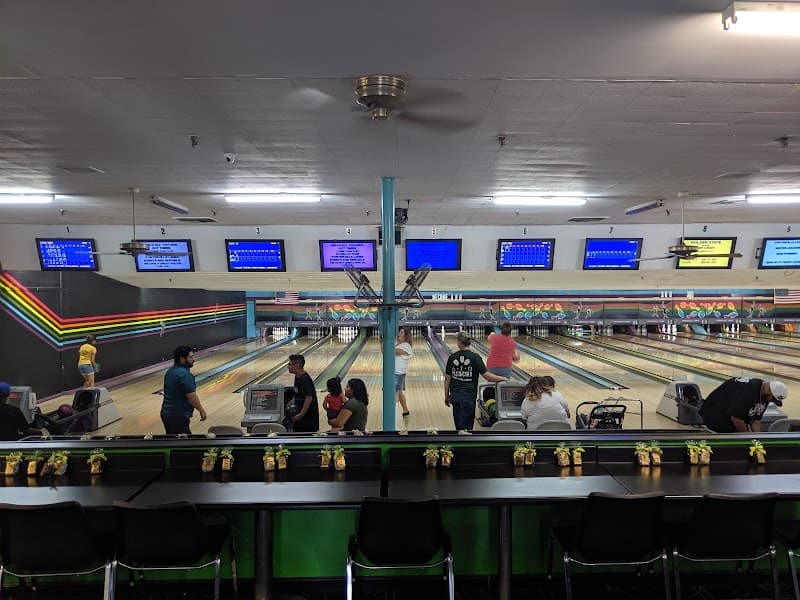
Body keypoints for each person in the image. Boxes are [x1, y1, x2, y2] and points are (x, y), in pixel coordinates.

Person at [444, 332, 507, 430]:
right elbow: (487, 376)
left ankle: (459, 441)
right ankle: (466, 441)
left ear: (460, 343)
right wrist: (502, 378)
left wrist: (446, 396)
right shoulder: (475, 358)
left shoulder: (452, 358)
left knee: (458, 426)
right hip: (469, 396)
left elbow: (447, 379)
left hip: (455, 395)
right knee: (468, 427)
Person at [700, 377, 788, 433]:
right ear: (769, 391)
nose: (771, 401)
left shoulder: (764, 394)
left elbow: (756, 420)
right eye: (772, 399)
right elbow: (736, 418)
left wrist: (758, 440)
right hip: (715, 414)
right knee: (738, 439)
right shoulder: (748, 390)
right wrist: (748, 437)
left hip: (730, 416)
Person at [160, 346, 208, 434]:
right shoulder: (185, 375)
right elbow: (191, 396)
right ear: (182, 359)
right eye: (190, 357)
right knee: (184, 444)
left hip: (166, 413)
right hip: (178, 415)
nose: (193, 359)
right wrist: (201, 410)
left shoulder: (170, 371)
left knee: (174, 441)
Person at [287, 354, 319, 432]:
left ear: (297, 365)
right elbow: (297, 391)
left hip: (308, 418)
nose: (288, 366)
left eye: (290, 364)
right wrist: (291, 401)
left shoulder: (305, 380)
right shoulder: (298, 376)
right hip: (301, 415)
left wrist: (301, 414)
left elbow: (309, 398)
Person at [395, 328, 414, 417]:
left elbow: (395, 352)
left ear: (406, 335)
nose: (399, 333)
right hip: (397, 373)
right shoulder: (399, 344)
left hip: (397, 374)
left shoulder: (406, 345)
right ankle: (405, 410)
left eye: (402, 332)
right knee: (399, 392)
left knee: (394, 396)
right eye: (400, 331)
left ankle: (392, 418)